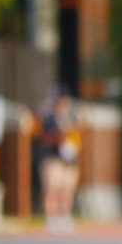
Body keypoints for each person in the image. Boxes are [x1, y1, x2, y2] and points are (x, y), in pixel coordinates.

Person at [37, 91, 81, 234]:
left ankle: (64, 217)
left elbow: (77, 137)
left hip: (68, 160)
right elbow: (44, 138)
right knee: (51, 190)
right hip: (53, 159)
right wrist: (61, 135)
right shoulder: (48, 119)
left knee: (66, 191)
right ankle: (51, 218)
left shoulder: (71, 118)